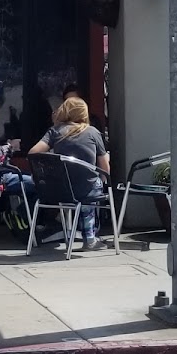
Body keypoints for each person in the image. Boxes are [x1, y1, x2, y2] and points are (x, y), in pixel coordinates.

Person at [29, 97, 112, 251]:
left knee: (82, 185)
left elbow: (33, 153)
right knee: (93, 183)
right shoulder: (93, 132)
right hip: (86, 191)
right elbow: (104, 167)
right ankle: (90, 237)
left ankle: (70, 229)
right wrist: (103, 180)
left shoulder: (55, 131)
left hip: (59, 192)